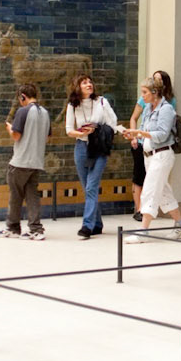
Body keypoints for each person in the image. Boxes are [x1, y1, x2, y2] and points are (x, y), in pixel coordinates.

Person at [121, 78, 181, 232]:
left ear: (154, 92)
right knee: (163, 191)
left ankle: (144, 230)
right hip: (148, 155)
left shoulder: (166, 109)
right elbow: (143, 130)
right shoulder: (148, 109)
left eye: (145, 92)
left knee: (149, 190)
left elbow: (162, 134)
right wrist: (134, 135)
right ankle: (180, 224)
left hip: (161, 155)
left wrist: (140, 133)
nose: (142, 96)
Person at [65, 72, 117, 237]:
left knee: (91, 187)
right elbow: (68, 130)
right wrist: (80, 133)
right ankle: (98, 223)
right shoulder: (73, 105)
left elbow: (113, 124)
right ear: (77, 87)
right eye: (84, 83)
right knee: (88, 188)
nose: (89, 84)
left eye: (90, 82)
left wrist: (96, 129)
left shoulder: (101, 101)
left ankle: (87, 226)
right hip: (81, 146)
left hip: (99, 147)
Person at [0, 81, 51, 240]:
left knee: (15, 195)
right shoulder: (45, 113)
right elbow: (47, 137)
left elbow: (16, 135)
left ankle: (12, 227)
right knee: (32, 196)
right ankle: (35, 229)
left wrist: (9, 128)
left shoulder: (23, 111)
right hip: (36, 162)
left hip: (20, 162)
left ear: (23, 96)